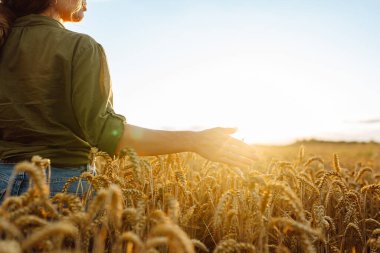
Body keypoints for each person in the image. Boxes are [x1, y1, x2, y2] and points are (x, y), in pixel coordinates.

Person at [0, 0, 257, 200]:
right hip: (61, 188)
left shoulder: (4, 39)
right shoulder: (81, 47)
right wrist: (195, 140)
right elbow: (105, 134)